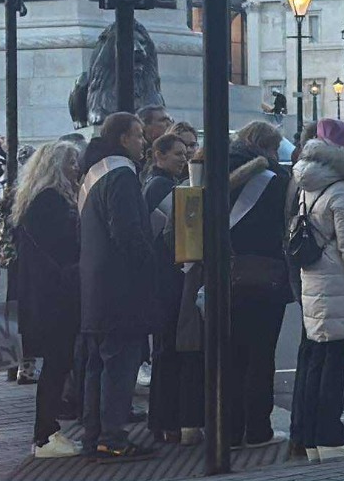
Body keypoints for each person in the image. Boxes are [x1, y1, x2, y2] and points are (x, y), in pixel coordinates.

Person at [291, 119, 344, 462]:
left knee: (316, 360)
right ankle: (330, 437)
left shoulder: (308, 183)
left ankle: (312, 438)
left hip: (315, 282)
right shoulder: (341, 190)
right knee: (333, 366)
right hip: (339, 286)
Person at [78, 112, 156, 460]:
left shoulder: (93, 174)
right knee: (120, 364)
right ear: (124, 138)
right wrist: (147, 268)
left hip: (94, 285)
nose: (144, 142)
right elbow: (127, 234)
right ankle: (113, 436)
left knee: (97, 364)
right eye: (139, 136)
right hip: (119, 287)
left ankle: (94, 434)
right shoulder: (122, 174)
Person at [12, 141, 83, 458]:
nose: (76, 168)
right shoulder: (51, 201)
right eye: (71, 162)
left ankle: (47, 432)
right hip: (55, 297)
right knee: (57, 364)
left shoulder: (36, 200)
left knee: (56, 364)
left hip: (44, 295)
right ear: (58, 166)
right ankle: (45, 435)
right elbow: (63, 247)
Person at [227, 122, 291, 448]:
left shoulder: (214, 171)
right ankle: (257, 429)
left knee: (232, 354)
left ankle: (229, 428)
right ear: (268, 148)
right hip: (265, 274)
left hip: (226, 273)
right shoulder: (277, 180)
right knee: (261, 354)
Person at [141, 133, 203, 446]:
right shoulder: (162, 187)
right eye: (178, 153)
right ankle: (169, 420)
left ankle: (163, 421)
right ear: (159, 155)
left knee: (166, 351)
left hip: (163, 278)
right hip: (169, 278)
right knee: (170, 351)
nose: (184, 157)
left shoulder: (156, 183)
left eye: (186, 152)